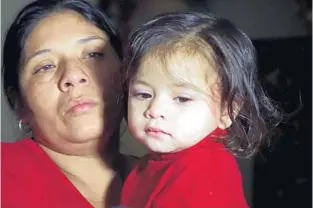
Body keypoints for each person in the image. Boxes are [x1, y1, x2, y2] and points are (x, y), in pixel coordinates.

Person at [120, 12, 282, 208]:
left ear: (227, 111)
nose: (155, 110)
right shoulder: (160, 161)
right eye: (143, 94)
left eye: (182, 98)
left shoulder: (205, 172)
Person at [1, 0, 136, 207]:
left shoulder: (171, 175)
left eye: (93, 54)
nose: (73, 75)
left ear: (125, 70)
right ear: (19, 103)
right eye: (45, 66)